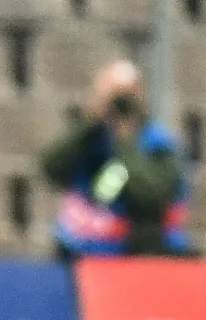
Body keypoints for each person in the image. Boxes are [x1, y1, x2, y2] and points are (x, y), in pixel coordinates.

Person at [39, 60, 191, 258]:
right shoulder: (86, 138)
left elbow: (152, 195)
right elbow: (50, 167)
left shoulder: (159, 145)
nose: (118, 103)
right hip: (80, 252)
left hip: (137, 256)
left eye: (125, 95)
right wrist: (91, 120)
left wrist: (123, 140)